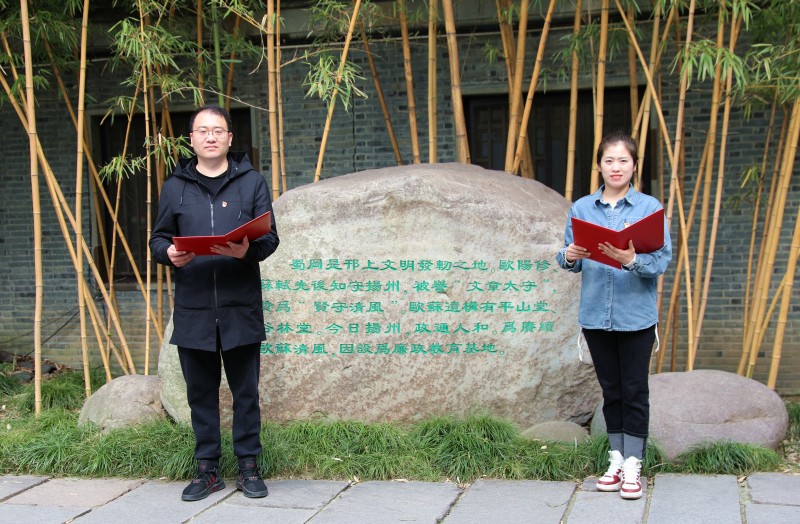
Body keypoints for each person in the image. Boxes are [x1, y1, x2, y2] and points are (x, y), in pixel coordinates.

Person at [150, 105, 280, 502]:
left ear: (229, 138)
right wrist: (169, 253)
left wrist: (245, 251)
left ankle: (249, 467)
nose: (210, 137)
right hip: (194, 309)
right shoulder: (175, 186)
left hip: (240, 306)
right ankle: (207, 470)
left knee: (246, 393)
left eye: (218, 130)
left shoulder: (251, 182)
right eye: (203, 131)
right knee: (200, 394)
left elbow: (270, 238)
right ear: (191, 139)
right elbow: (158, 239)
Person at [555, 131, 671, 500]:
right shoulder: (582, 208)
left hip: (636, 316)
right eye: (609, 160)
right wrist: (569, 255)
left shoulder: (649, 208)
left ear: (634, 165)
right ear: (600, 166)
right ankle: (616, 459)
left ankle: (634, 464)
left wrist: (631, 260)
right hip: (595, 316)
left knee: (634, 390)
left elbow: (661, 261)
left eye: (623, 160)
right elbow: (567, 257)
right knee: (612, 392)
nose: (616, 167)